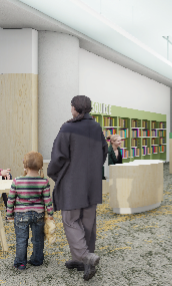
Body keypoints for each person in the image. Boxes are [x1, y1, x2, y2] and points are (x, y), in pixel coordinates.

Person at [48, 95, 108, 281]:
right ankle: (82, 261)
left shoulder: (68, 128)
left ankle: (84, 256)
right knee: (88, 222)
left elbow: (58, 158)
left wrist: (55, 174)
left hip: (73, 184)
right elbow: (104, 152)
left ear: (75, 108)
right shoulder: (96, 127)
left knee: (71, 220)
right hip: (92, 183)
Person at [6, 151, 54, 270]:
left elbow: (11, 200)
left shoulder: (17, 181)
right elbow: (47, 200)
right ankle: (37, 260)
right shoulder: (44, 182)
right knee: (38, 239)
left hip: (21, 214)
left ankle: (20, 263)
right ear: (41, 166)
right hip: (38, 215)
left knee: (21, 239)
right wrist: (50, 214)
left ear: (25, 166)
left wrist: (9, 215)